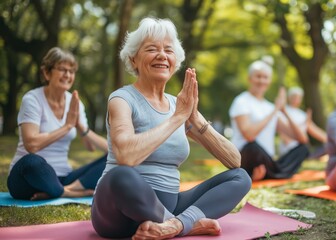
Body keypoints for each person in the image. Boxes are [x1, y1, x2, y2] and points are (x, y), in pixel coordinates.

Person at [91, 17, 251, 239]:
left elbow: (234, 160)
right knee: (121, 175)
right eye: (151, 49)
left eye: (168, 50)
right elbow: (126, 156)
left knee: (240, 177)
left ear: (175, 62)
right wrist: (177, 118)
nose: (162, 55)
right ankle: (190, 225)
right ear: (133, 59)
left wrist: (194, 117)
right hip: (119, 212)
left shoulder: (180, 106)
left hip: (171, 204)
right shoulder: (122, 99)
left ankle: (175, 225)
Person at [7, 47, 108, 200]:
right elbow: (31, 145)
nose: (67, 75)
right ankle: (69, 193)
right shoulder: (32, 99)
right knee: (32, 161)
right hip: (28, 179)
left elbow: (90, 147)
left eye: (72, 71)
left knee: (117, 157)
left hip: (63, 177)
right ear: (47, 73)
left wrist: (82, 128)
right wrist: (67, 126)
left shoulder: (75, 103)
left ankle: (61, 190)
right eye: (62, 69)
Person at [229, 57, 306, 181]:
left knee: (303, 148)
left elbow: (301, 138)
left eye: (265, 77)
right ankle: (274, 173)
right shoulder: (241, 101)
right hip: (246, 157)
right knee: (252, 147)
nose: (261, 80)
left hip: (267, 160)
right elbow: (249, 135)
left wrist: (284, 110)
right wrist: (275, 110)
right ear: (250, 79)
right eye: (258, 76)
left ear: (269, 81)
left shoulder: (270, 106)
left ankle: (270, 173)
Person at [278, 86, 327, 160]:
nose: (296, 99)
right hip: (289, 147)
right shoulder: (283, 112)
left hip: (302, 146)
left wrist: (330, 139)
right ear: (289, 97)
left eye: (298, 97)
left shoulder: (303, 115)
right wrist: (286, 141)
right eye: (294, 97)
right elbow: (282, 130)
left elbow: (313, 129)